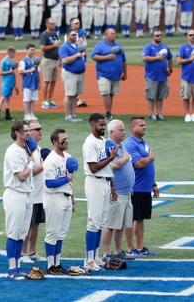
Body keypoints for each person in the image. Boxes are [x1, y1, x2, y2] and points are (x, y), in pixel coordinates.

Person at [82, 113, 118, 270]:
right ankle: (89, 260)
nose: (103, 127)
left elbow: (107, 168)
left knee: (101, 223)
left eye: (104, 125)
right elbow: (93, 167)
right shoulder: (90, 143)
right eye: (101, 125)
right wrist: (111, 158)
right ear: (92, 125)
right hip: (94, 183)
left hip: (104, 183)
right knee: (93, 223)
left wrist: (113, 186)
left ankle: (96, 258)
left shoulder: (104, 141)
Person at [124, 117, 160, 257]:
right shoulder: (130, 144)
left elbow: (147, 166)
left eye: (145, 125)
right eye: (141, 125)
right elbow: (138, 163)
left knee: (140, 218)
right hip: (136, 187)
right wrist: (150, 158)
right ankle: (130, 248)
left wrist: (154, 184)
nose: (144, 127)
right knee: (132, 218)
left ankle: (140, 247)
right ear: (133, 127)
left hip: (145, 187)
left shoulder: (142, 142)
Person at [3, 120, 35, 279]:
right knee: (14, 233)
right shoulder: (13, 151)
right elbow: (21, 176)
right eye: (26, 130)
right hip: (16, 195)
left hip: (26, 195)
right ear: (17, 133)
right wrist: (31, 164)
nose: (29, 133)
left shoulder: (25, 150)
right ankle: (11, 269)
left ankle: (17, 266)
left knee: (22, 234)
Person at [42, 128, 75, 275]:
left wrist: (72, 201)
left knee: (61, 233)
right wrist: (67, 178)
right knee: (52, 233)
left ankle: (57, 263)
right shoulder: (51, 159)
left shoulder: (67, 156)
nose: (67, 141)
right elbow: (49, 183)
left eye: (67, 138)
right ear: (55, 142)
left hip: (66, 198)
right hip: (54, 198)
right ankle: (50, 266)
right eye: (63, 139)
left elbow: (70, 182)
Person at [101, 119, 135, 260]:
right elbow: (112, 165)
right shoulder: (109, 145)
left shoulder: (120, 145)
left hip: (125, 191)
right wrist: (125, 159)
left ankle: (118, 251)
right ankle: (106, 253)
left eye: (123, 129)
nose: (124, 132)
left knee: (120, 224)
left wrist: (130, 186)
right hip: (116, 192)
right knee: (110, 224)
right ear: (112, 132)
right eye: (120, 130)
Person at [20, 121, 47, 264]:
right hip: (30, 194)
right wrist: (43, 166)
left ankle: (32, 252)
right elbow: (27, 172)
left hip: (40, 194)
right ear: (29, 132)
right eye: (37, 129)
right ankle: (23, 253)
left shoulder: (39, 149)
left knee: (36, 224)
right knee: (26, 225)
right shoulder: (26, 150)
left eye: (41, 128)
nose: (40, 131)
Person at [91, 28, 127, 122]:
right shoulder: (100, 45)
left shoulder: (119, 46)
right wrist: (108, 57)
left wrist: (125, 72)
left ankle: (109, 113)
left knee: (111, 94)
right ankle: (108, 113)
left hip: (116, 75)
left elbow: (124, 60)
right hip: (104, 74)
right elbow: (94, 56)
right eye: (112, 34)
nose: (114, 35)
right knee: (105, 93)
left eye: (114, 34)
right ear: (106, 35)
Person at [142, 30, 173, 121]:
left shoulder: (165, 47)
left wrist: (170, 69)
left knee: (160, 96)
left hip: (163, 75)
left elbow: (170, 59)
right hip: (151, 76)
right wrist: (157, 58)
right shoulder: (148, 46)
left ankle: (159, 114)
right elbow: (144, 58)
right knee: (151, 96)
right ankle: (151, 114)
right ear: (153, 37)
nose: (159, 36)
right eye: (157, 35)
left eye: (160, 35)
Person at [60, 29, 85, 122]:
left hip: (79, 73)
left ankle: (73, 114)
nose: (75, 36)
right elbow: (65, 60)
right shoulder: (64, 47)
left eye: (76, 35)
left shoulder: (78, 46)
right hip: (70, 73)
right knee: (69, 94)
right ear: (68, 36)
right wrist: (76, 56)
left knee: (75, 95)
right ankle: (68, 116)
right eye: (73, 35)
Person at [40, 17, 61, 110]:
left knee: (53, 82)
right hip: (48, 60)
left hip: (55, 60)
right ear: (47, 24)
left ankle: (50, 100)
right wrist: (54, 46)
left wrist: (59, 59)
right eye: (52, 23)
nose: (54, 25)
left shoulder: (54, 34)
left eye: (54, 23)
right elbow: (42, 48)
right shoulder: (44, 34)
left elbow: (57, 47)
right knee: (47, 81)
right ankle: (44, 101)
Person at [0, 46, 18, 122]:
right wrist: (9, 72)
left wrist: (15, 84)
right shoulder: (3, 61)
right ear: (12, 53)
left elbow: (14, 73)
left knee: (8, 99)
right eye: (14, 54)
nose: (14, 55)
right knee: (2, 98)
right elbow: (0, 72)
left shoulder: (12, 61)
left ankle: (7, 115)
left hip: (11, 83)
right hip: (5, 83)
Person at [19, 43, 41, 121]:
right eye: (31, 50)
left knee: (33, 99)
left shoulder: (36, 60)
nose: (33, 52)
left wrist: (39, 82)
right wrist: (30, 70)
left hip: (34, 83)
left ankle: (31, 113)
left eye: (34, 50)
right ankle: (26, 114)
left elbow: (38, 72)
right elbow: (20, 71)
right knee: (27, 99)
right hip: (27, 83)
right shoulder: (23, 61)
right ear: (27, 50)